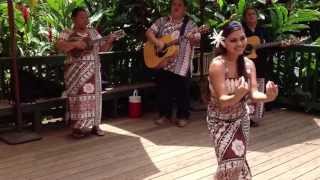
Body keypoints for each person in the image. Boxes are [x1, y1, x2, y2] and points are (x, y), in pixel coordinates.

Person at [207, 21, 278, 179]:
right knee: (229, 163)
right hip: (219, 121)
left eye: (242, 38)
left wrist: (268, 96)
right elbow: (222, 101)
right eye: (233, 40)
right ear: (223, 42)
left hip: (241, 120)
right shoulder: (217, 65)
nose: (239, 43)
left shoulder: (249, 64)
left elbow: (253, 94)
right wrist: (238, 95)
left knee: (237, 162)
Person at [56, 7, 117, 138]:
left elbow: (103, 49)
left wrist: (110, 41)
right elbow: (59, 46)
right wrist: (76, 44)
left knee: (95, 98)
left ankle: (95, 125)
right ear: (74, 19)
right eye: (82, 17)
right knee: (77, 99)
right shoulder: (67, 32)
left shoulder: (93, 33)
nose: (86, 20)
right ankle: (77, 128)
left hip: (93, 72)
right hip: (75, 74)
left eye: (87, 17)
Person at [145, 0, 200, 127]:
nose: (176, 7)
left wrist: (193, 39)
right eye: (174, 4)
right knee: (163, 90)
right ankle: (164, 115)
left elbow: (196, 41)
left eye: (179, 5)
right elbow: (149, 32)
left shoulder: (191, 25)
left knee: (182, 91)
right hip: (163, 61)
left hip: (182, 62)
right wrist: (158, 42)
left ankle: (183, 116)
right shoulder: (162, 21)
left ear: (185, 8)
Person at [242, 7, 270, 127]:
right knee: (245, 93)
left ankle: (255, 118)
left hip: (260, 66)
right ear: (245, 17)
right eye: (248, 14)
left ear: (257, 16)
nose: (251, 16)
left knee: (258, 92)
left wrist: (281, 45)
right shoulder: (242, 30)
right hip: (244, 66)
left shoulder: (263, 31)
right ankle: (244, 117)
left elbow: (269, 47)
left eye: (253, 14)